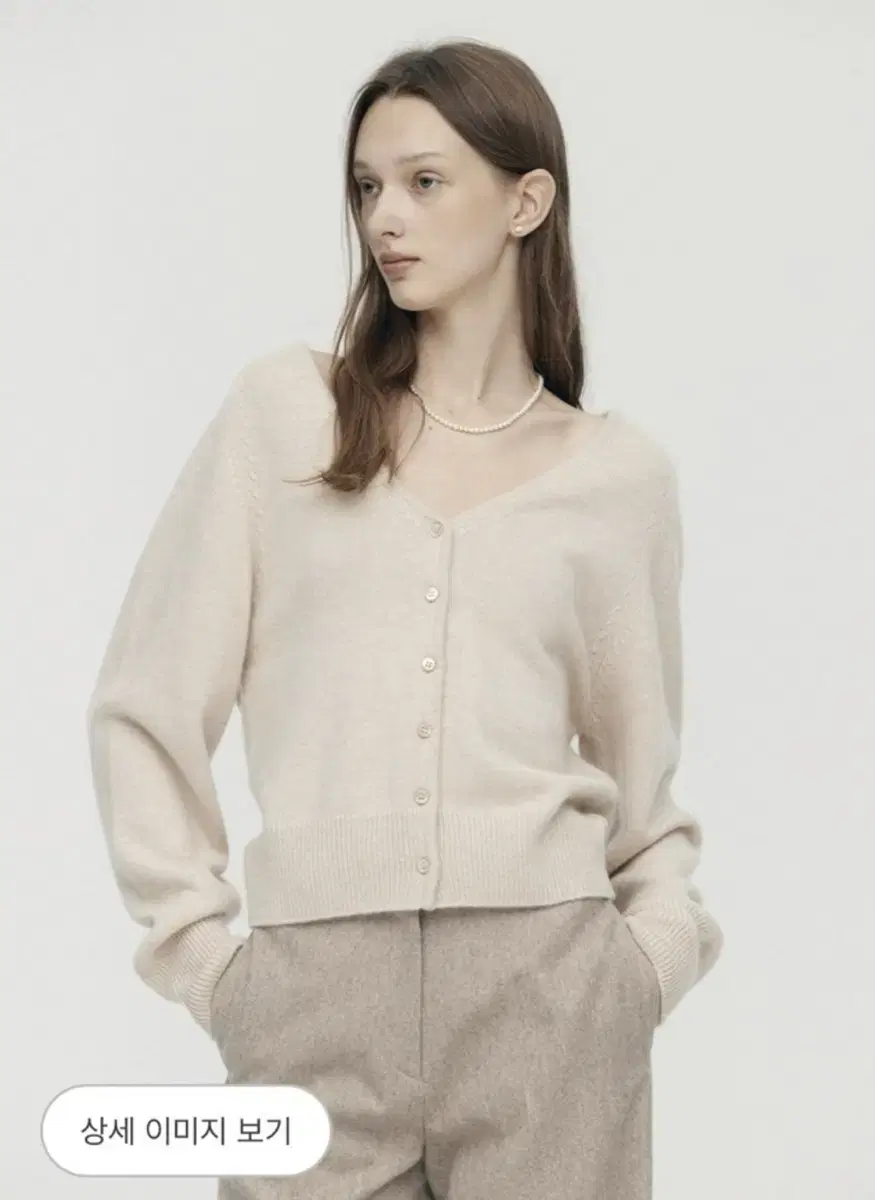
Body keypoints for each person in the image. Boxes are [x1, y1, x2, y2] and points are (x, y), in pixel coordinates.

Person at [86, 36, 724, 1200]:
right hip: (309, 1003)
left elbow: (644, 786)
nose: (386, 217)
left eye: (426, 182)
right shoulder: (287, 416)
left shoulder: (618, 478)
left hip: (552, 997)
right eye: (368, 186)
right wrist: (210, 965)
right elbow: (146, 700)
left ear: (527, 201)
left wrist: (645, 967)